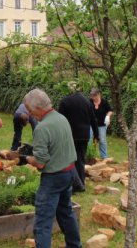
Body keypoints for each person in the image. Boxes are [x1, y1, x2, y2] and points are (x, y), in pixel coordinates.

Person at [24, 89, 81, 248]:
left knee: (43, 222)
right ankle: (75, 245)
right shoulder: (61, 118)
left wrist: (26, 158)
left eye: (29, 110)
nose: (29, 113)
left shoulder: (42, 128)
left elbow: (40, 163)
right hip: (69, 172)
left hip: (53, 178)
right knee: (66, 213)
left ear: (37, 108)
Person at [58, 81, 99, 192]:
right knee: (80, 159)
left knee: (69, 159)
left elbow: (59, 119)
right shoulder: (87, 102)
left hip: (70, 135)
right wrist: (96, 135)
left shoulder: (65, 101)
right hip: (84, 136)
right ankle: (81, 183)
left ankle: (74, 184)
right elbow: (93, 120)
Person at [88, 88, 113, 159]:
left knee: (102, 140)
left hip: (101, 125)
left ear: (99, 95)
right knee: (89, 140)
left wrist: (108, 116)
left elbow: (110, 110)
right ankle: (89, 156)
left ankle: (104, 157)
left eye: (94, 96)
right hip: (91, 124)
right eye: (92, 96)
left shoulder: (104, 102)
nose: (93, 98)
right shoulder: (89, 102)